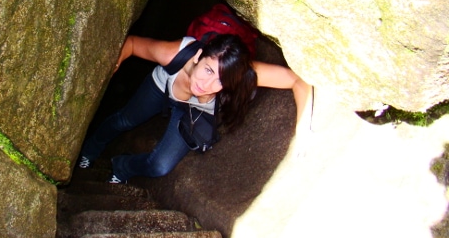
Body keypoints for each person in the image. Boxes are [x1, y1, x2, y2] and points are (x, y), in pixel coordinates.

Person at [78, 33, 312, 184]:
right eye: (208, 70)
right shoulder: (175, 53)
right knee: (124, 121)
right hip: (163, 86)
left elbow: (298, 80)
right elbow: (130, 43)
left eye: (221, 81)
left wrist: (303, 132)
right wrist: (113, 65)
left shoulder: (240, 73)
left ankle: (122, 167)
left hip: (195, 108)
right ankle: (90, 151)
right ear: (199, 56)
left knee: (160, 166)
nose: (207, 84)